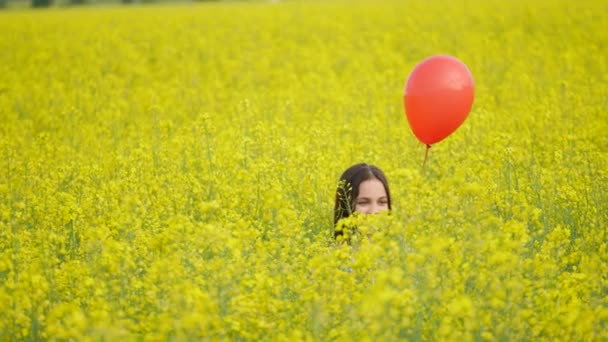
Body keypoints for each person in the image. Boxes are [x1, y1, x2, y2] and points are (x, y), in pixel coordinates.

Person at [333, 163, 391, 240]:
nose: (374, 211)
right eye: (363, 203)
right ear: (346, 207)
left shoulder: (403, 249)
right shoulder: (331, 251)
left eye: (382, 202)